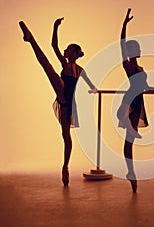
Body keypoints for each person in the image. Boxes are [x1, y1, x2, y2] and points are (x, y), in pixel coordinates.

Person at [19, 19, 97, 186]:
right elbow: (54, 45)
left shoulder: (79, 70)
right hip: (63, 95)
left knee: (66, 138)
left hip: (70, 104)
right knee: (48, 68)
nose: (64, 51)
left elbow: (89, 83)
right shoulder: (66, 65)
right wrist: (55, 27)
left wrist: (93, 89)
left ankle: (65, 166)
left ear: (74, 53)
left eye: (68, 50)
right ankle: (31, 40)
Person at [119, 8, 154, 193]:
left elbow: (146, 87)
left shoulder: (141, 68)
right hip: (130, 101)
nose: (140, 50)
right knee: (129, 139)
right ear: (131, 50)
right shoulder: (128, 65)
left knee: (130, 140)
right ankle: (130, 171)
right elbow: (121, 45)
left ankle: (131, 172)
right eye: (137, 48)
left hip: (138, 102)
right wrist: (125, 24)